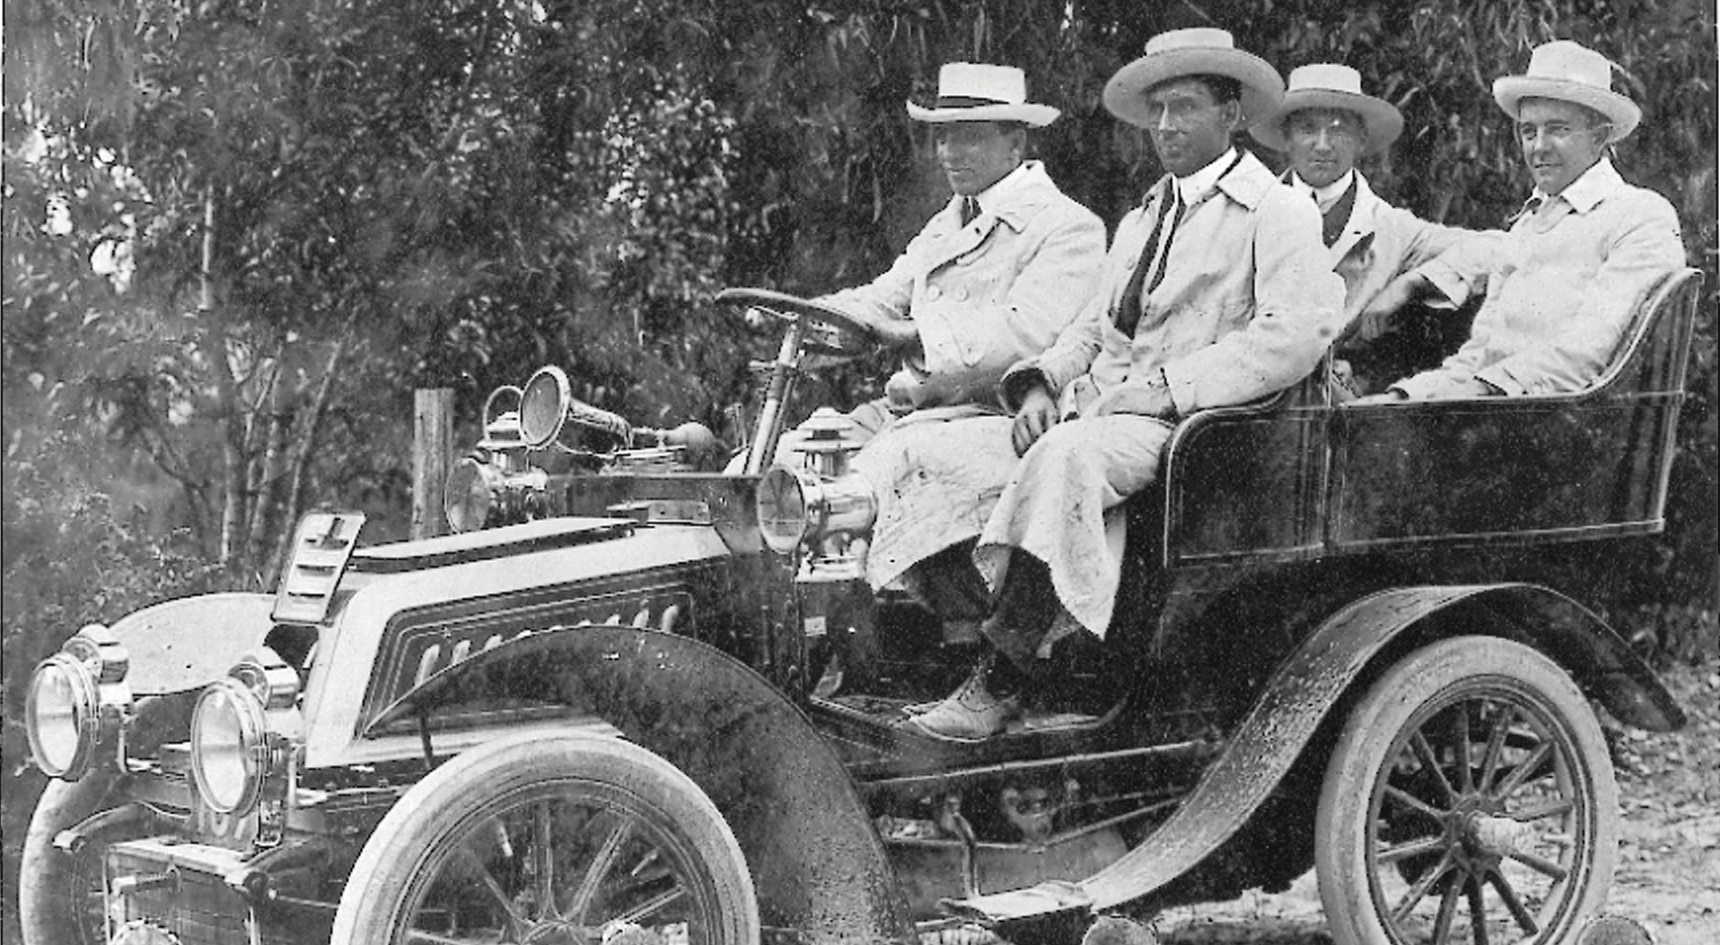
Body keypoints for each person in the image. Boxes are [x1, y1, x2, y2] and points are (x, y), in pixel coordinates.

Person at [905, 28, 1346, 740]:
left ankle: (1002, 676)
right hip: (1108, 409)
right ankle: (949, 648)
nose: (1167, 127)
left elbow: (1293, 335)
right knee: (954, 454)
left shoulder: (1275, 210)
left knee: (1065, 458)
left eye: (1187, 108)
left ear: (1231, 115)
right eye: (1159, 110)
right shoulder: (1147, 214)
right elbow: (1094, 324)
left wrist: (1170, 388)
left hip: (1204, 428)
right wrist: (1044, 382)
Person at [1370, 40, 1684, 401]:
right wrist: (1407, 396)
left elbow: (1586, 352)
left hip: (1571, 422)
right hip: (1496, 415)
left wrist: (1478, 392)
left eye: (1558, 129)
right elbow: (1480, 355)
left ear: (1599, 136)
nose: (1539, 147)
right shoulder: (1525, 227)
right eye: (1528, 131)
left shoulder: (1638, 216)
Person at [807, 62, 1106, 438]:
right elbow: (886, 294)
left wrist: (918, 335)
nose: (950, 153)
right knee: (780, 461)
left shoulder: (1068, 227)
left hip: (989, 420)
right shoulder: (946, 225)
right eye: (944, 137)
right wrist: (814, 320)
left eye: (970, 138)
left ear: (1015, 144)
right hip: (904, 413)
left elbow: (1025, 333)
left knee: (844, 489)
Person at [1249, 63, 1500, 397]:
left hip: (1338, 403)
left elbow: (1503, 247)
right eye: (1308, 128)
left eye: (1338, 130)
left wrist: (1411, 283)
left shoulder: (1391, 228)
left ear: (1361, 138)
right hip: (1249, 399)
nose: (1322, 145)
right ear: (1286, 136)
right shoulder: (1246, 215)